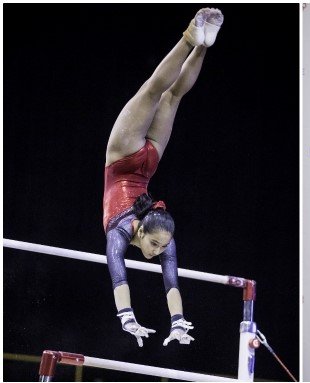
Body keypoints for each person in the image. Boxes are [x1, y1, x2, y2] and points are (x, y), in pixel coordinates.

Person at [102, 8, 224, 347]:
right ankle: (193, 38)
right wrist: (132, 316)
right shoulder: (138, 229)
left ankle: (203, 43)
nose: (157, 252)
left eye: (160, 246)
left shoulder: (132, 233)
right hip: (135, 159)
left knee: (167, 95)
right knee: (159, 92)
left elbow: (164, 280)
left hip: (128, 157)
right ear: (141, 230)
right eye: (156, 245)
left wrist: (177, 322)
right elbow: (127, 278)